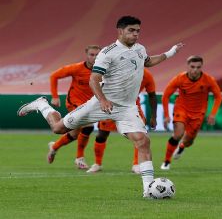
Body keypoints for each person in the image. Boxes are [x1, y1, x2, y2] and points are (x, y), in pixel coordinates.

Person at [17, 15, 184, 197]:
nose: (136, 34)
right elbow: (94, 79)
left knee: (143, 141)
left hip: (127, 108)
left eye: (138, 31)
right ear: (120, 31)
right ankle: (42, 105)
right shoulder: (108, 52)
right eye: (131, 30)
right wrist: (103, 100)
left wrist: (171, 52)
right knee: (58, 128)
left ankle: (147, 190)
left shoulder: (139, 49)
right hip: (101, 103)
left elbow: (149, 61)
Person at [86, 68, 157, 174]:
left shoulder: (146, 75)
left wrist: (153, 116)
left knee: (139, 135)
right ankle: (97, 163)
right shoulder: (118, 68)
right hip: (111, 104)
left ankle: (137, 164)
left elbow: (152, 95)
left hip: (131, 108)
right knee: (101, 135)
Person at [160, 55, 222, 170]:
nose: (195, 70)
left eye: (198, 67)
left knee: (189, 141)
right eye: (192, 67)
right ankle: (166, 161)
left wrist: (213, 114)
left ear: (201, 67)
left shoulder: (209, 80)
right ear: (187, 66)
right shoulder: (179, 78)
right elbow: (165, 96)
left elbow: (218, 96)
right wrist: (167, 115)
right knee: (178, 134)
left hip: (198, 114)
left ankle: (182, 146)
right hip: (181, 109)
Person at [48, 45, 101, 169]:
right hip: (74, 102)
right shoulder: (76, 68)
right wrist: (55, 96)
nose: (94, 57)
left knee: (75, 134)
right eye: (91, 54)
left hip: (91, 104)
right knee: (88, 127)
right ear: (86, 55)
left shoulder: (103, 71)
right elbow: (54, 76)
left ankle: (54, 147)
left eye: (97, 55)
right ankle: (79, 158)